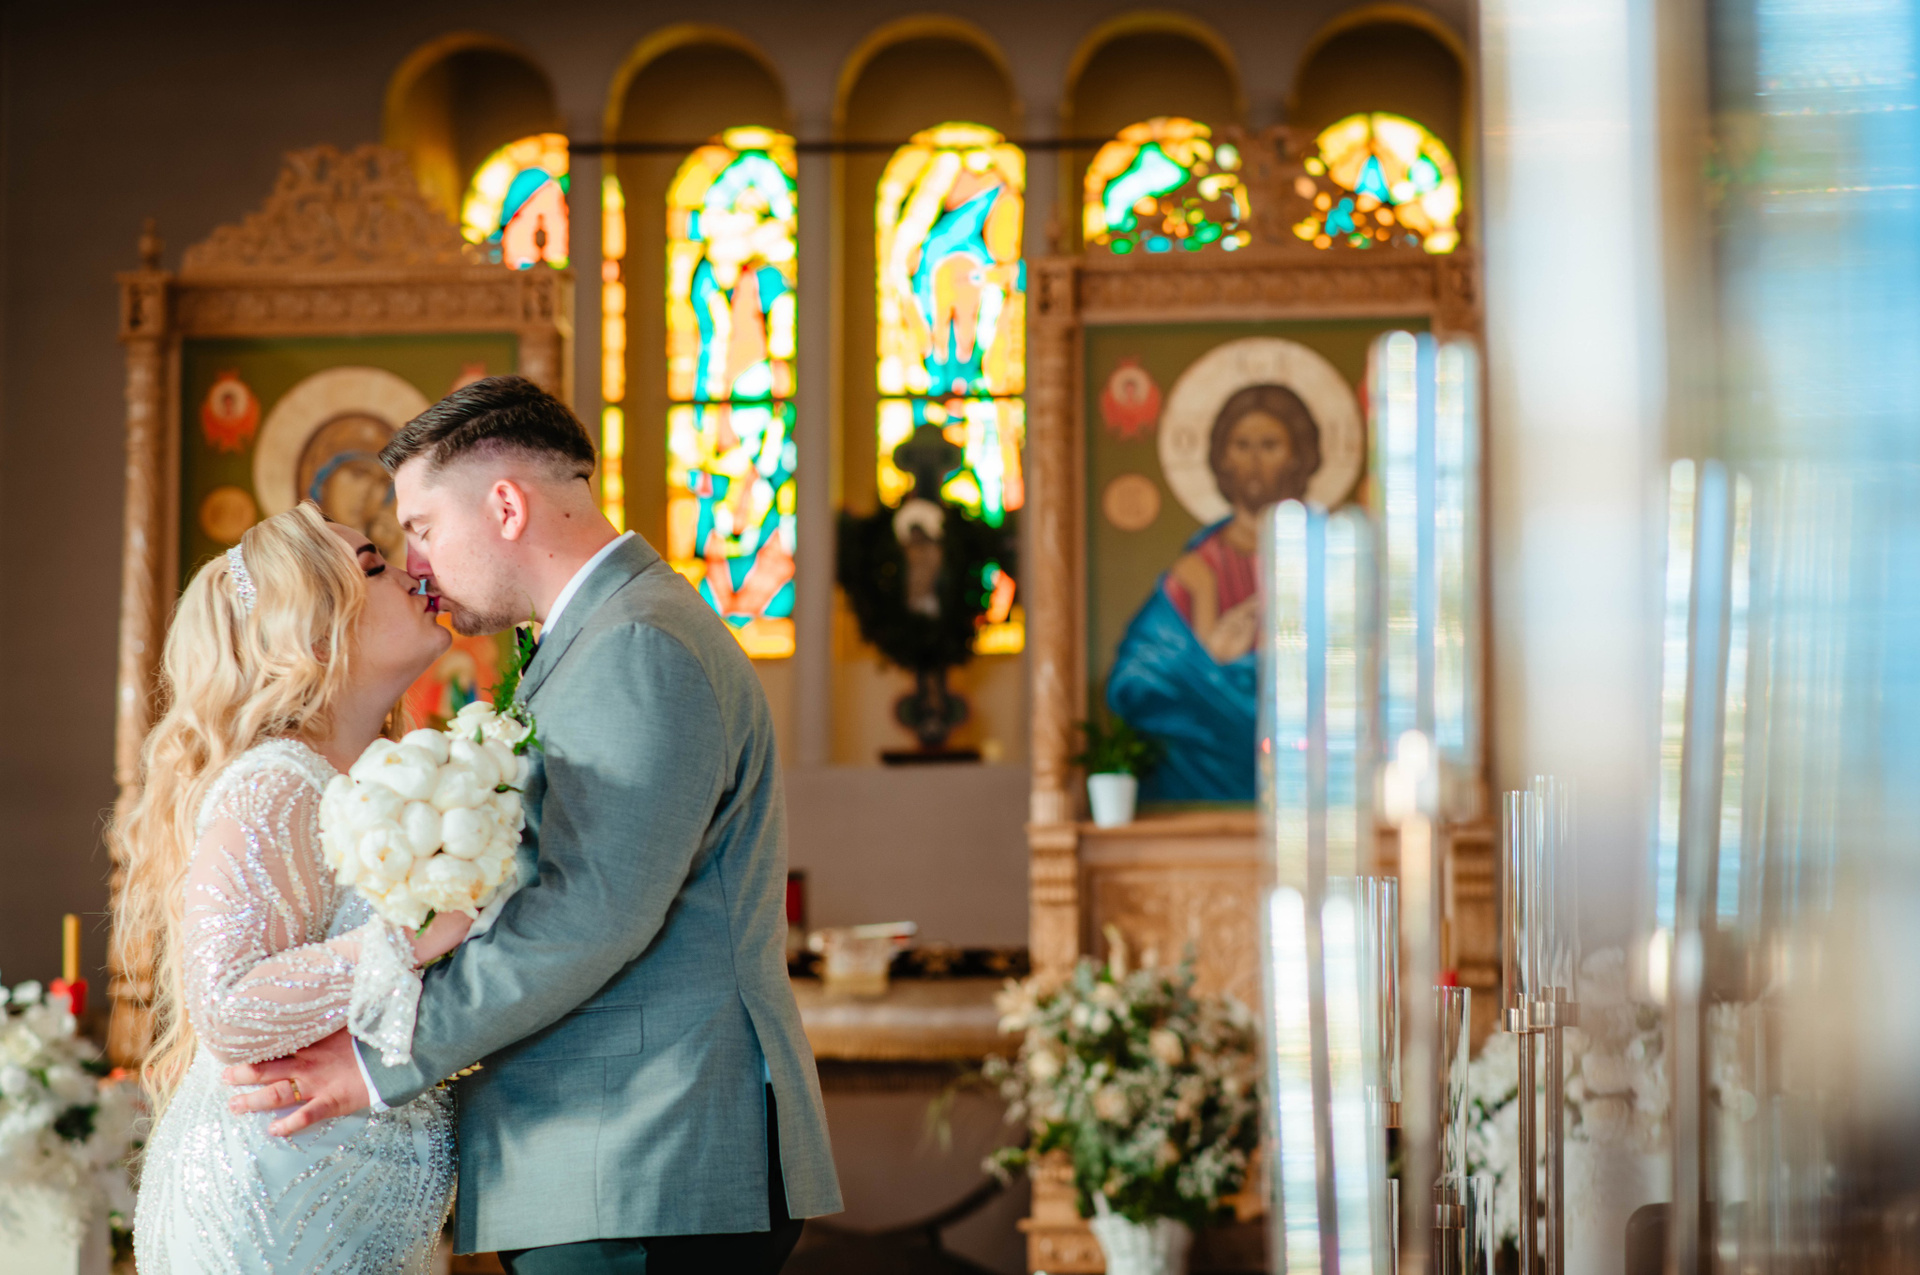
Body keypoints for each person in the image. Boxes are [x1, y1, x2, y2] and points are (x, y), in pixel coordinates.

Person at [223, 375, 842, 1272]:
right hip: (609, 1155)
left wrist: (377, 1062)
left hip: (643, 1154)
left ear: (506, 506)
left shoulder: (635, 643)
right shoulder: (592, 639)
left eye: (423, 526)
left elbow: (587, 914)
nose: (416, 562)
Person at [122, 502, 475, 1272]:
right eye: (374, 566)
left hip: (331, 1204)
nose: (412, 574)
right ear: (316, 636)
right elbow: (228, 1005)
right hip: (270, 1208)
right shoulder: (274, 782)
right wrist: (409, 937)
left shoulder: (350, 783)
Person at [1106, 383, 1323, 803]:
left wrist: (1236, 664)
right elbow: (1134, 683)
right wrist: (1213, 660)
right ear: (1222, 457)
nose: (1254, 460)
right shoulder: (1194, 573)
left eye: (1270, 445)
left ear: (1299, 456)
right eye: (1241, 445)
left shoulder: (1330, 559)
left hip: (1312, 784)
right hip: (1198, 787)